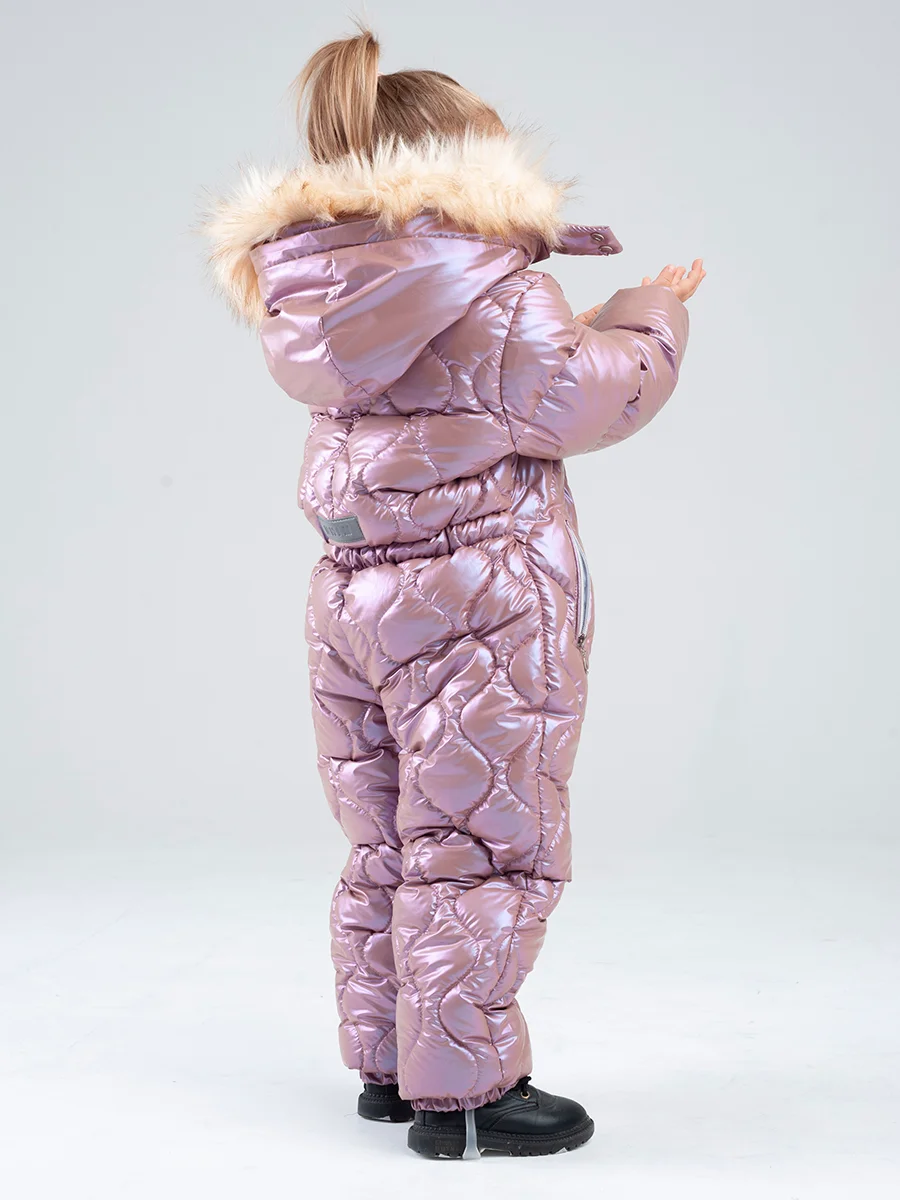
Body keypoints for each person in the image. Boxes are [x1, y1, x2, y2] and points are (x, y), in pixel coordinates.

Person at [201, 23, 704, 1160]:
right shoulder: (498, 292)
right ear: (469, 165)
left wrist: (571, 318)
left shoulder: (330, 293)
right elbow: (586, 397)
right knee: (481, 839)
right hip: (478, 599)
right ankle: (469, 1094)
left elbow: (448, 395)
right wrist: (651, 314)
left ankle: (390, 1066)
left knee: (387, 838)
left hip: (353, 597)